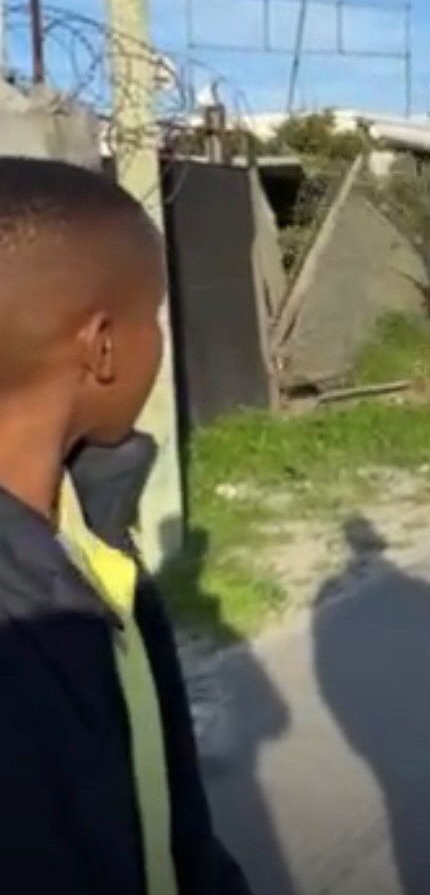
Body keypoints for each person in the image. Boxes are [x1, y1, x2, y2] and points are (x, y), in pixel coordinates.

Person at [0, 158, 250, 894]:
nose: (160, 342)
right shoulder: (21, 619)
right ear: (102, 345)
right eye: (156, 318)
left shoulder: (88, 532)